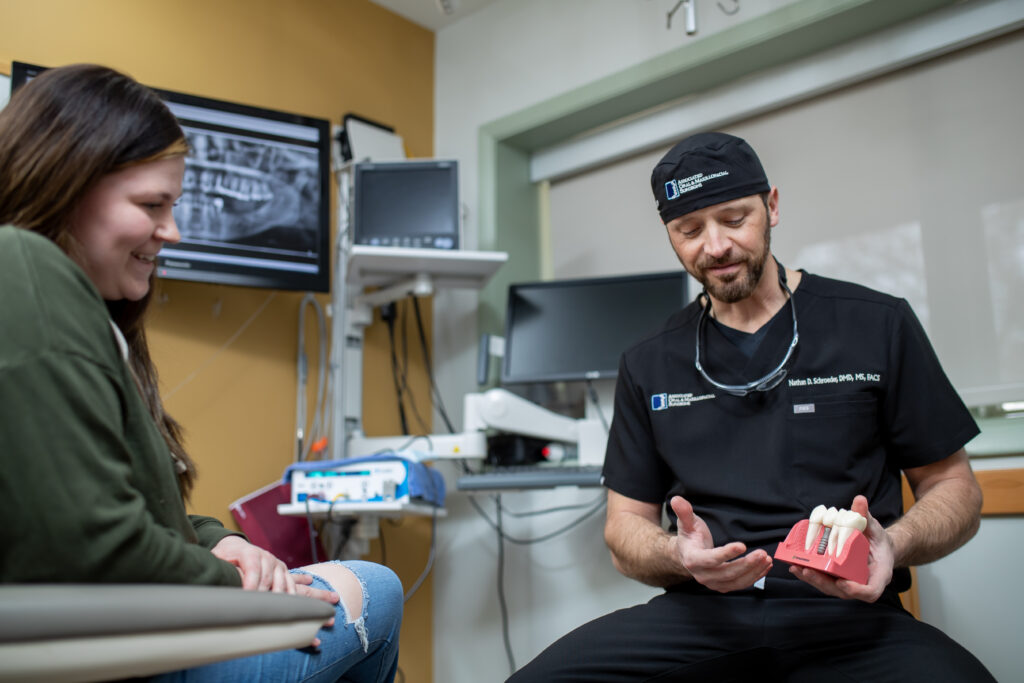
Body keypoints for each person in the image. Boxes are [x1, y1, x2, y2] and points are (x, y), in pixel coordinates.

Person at [508, 132, 995, 682]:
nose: (714, 246)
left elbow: (955, 487)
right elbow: (625, 529)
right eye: (689, 230)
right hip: (701, 615)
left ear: (772, 207)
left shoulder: (876, 324)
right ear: (670, 235)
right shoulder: (649, 361)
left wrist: (893, 543)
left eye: (734, 219)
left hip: (849, 615)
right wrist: (678, 556)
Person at [0, 64, 402, 683]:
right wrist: (240, 583)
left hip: (121, 628)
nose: (173, 231)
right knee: (375, 585)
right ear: (65, 181)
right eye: (151, 205)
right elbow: (92, 545)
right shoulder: (20, 263)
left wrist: (219, 542)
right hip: (99, 646)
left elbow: (102, 500)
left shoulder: (81, 313)